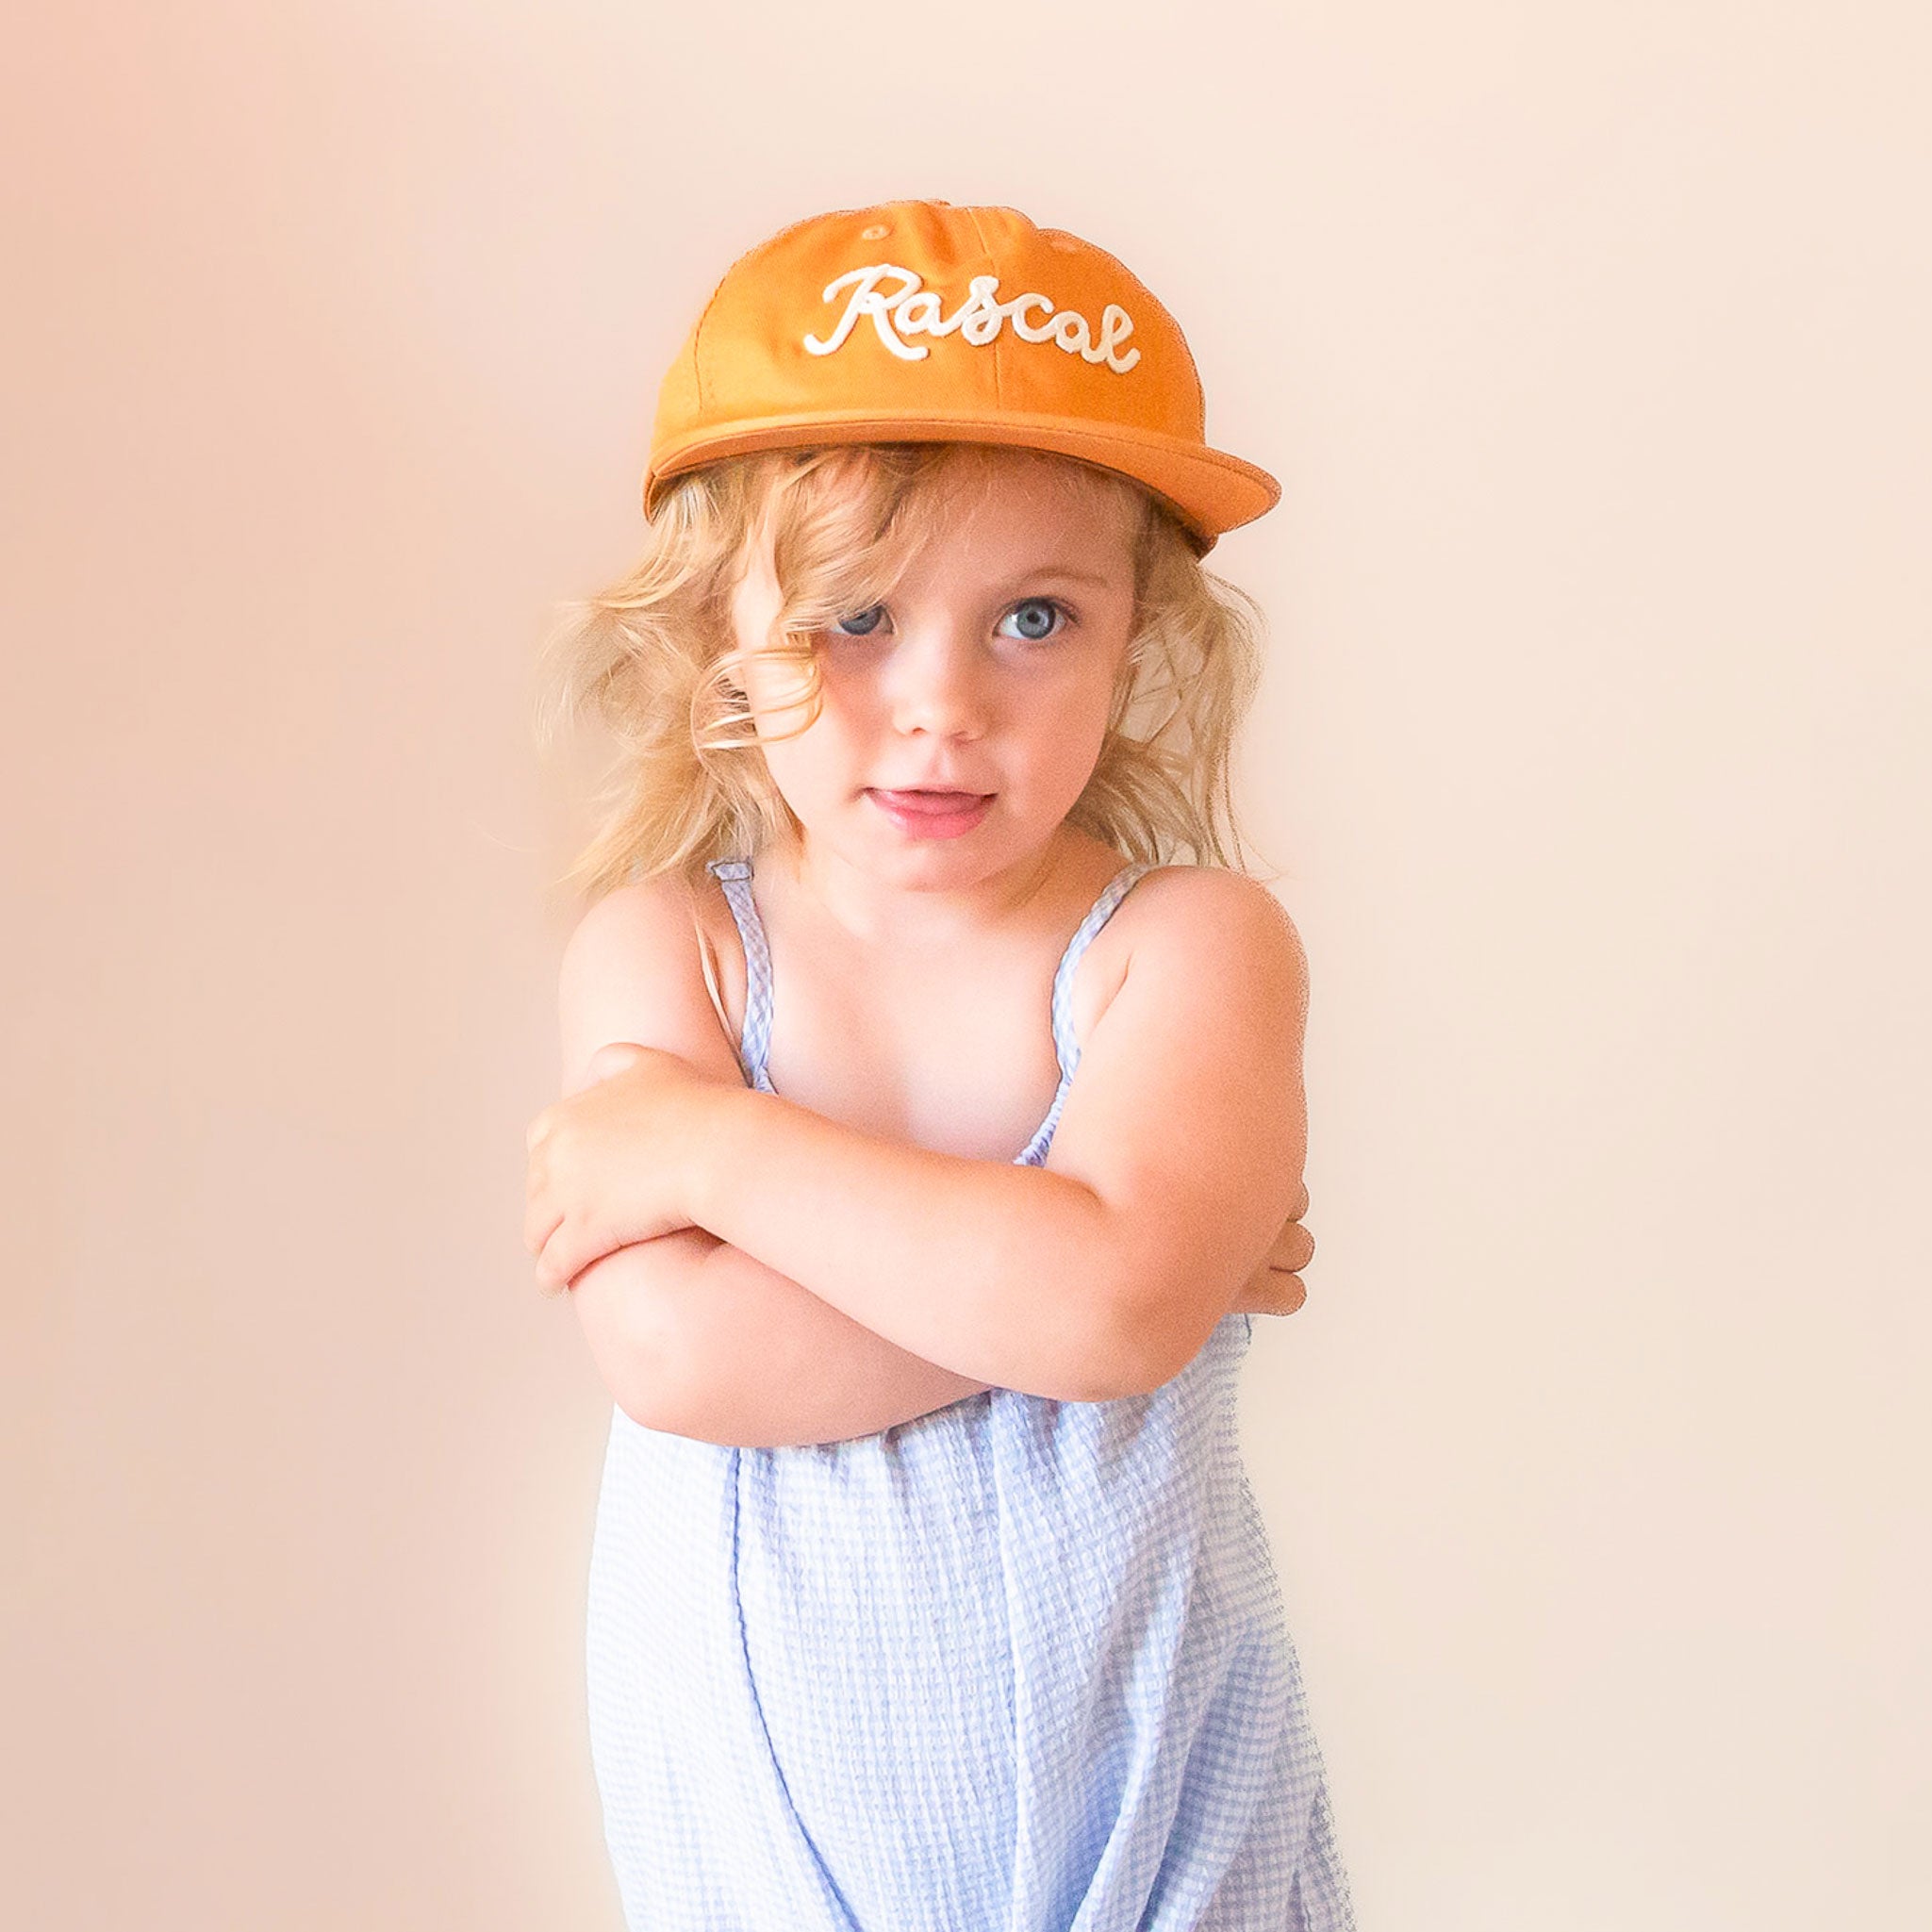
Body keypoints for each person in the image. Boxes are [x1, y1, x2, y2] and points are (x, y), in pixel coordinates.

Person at [523, 199, 1357, 1930]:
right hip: (765, 1845)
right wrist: (1075, 1266)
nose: (940, 701)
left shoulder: (1183, 944)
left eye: (1036, 618)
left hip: (1159, 1829)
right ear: (712, 649)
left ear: (1139, 639)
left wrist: (707, 1153)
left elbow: (1111, 1311)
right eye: (852, 616)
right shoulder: (669, 948)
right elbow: (680, 1350)